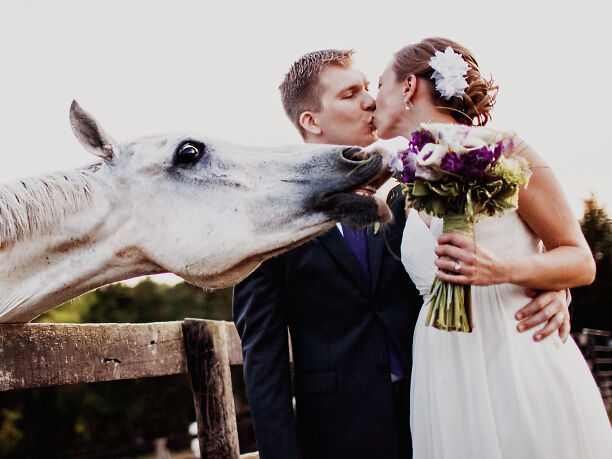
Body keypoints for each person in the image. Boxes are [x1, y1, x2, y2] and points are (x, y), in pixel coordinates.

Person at [233, 49, 572, 459]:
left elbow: (493, 246)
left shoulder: (418, 182)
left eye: (368, 89)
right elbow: (262, 353)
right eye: (350, 94)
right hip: (340, 431)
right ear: (311, 121)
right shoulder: (269, 217)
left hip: (437, 406)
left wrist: (553, 287)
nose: (370, 101)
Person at [372, 37, 612, 458]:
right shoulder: (405, 187)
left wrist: (504, 269)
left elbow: (579, 259)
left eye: (379, 85)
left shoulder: (507, 150)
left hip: (516, 347)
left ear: (409, 86)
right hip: (443, 364)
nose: (373, 102)